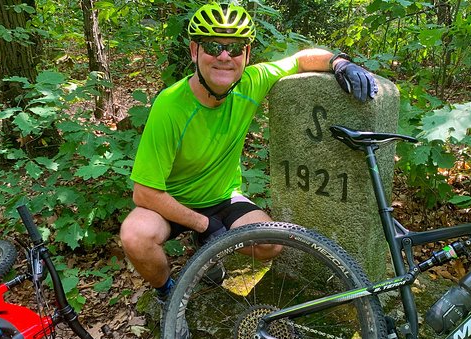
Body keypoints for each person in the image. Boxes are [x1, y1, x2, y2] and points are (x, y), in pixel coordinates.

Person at [120, 2, 377, 299]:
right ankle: (167, 294)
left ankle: (206, 251)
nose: (225, 57)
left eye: (235, 48)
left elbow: (301, 59)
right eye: (213, 47)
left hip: (222, 196)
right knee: (136, 237)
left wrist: (339, 63)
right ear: (194, 51)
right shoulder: (170, 105)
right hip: (172, 203)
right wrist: (204, 225)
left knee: (270, 243)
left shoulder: (252, 82)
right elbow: (144, 193)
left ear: (247, 54)